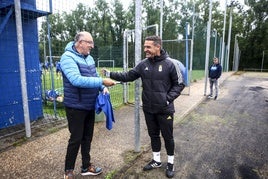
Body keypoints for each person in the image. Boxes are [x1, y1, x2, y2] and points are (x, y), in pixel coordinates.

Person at [102, 35, 185, 178]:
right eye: (144, 46)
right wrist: (110, 74)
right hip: (149, 108)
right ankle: (156, 160)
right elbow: (128, 75)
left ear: (157, 47)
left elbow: (179, 84)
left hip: (165, 109)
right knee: (153, 135)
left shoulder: (170, 64)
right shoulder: (143, 64)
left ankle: (170, 162)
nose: (145, 49)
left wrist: (167, 99)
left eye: (148, 47)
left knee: (168, 136)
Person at [60, 31, 116, 179]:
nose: (92, 45)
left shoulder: (89, 58)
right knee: (76, 138)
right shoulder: (67, 58)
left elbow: (94, 76)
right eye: (89, 42)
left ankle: (86, 167)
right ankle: (68, 171)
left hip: (89, 105)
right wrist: (102, 82)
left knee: (87, 137)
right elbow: (76, 80)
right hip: (75, 106)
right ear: (79, 43)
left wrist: (101, 88)